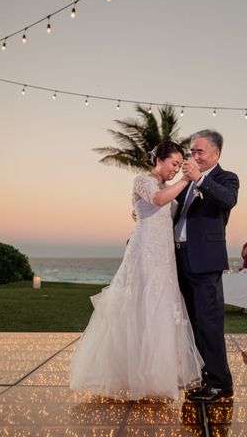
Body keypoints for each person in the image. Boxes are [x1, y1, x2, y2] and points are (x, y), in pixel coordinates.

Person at [69, 141, 203, 400]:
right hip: (144, 254)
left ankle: (156, 378)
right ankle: (130, 375)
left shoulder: (168, 186)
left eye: (179, 165)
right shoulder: (143, 181)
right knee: (139, 307)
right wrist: (187, 178)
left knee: (160, 310)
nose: (176, 169)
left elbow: (167, 210)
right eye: (174, 164)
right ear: (159, 160)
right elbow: (158, 199)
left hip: (164, 257)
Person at [174, 129, 239, 403]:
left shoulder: (226, 178)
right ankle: (204, 377)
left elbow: (228, 200)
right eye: (192, 151)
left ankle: (220, 383)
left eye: (199, 151)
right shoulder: (187, 183)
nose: (193, 156)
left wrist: (199, 179)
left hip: (205, 261)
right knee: (194, 323)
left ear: (216, 153)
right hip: (180, 258)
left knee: (209, 322)